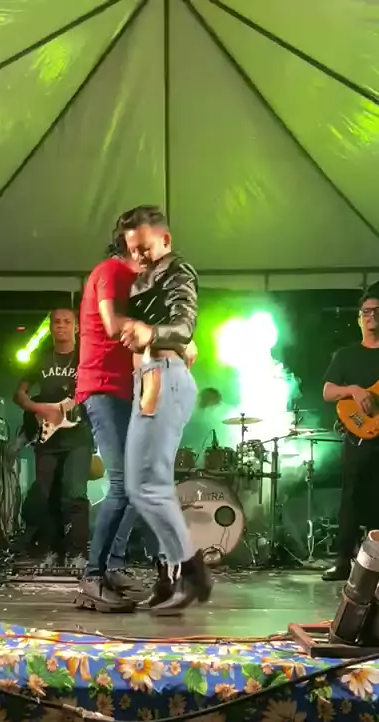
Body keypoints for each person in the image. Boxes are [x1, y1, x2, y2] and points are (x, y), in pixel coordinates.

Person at [76, 227, 198, 612]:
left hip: (125, 388)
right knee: (122, 485)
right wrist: (168, 338)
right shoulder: (113, 272)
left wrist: (172, 339)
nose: (150, 262)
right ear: (130, 252)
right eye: (142, 253)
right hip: (104, 388)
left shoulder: (139, 283)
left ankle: (113, 566)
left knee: (137, 484)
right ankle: (93, 577)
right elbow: (115, 327)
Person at [119, 205, 212, 613]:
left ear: (165, 239)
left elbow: (184, 326)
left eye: (144, 247)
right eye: (132, 249)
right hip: (149, 379)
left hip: (163, 375)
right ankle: (173, 573)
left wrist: (150, 332)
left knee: (148, 486)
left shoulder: (178, 270)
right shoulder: (142, 278)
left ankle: (192, 574)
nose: (138, 255)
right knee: (142, 486)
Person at [322, 293, 379, 581]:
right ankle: (342, 561)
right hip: (358, 438)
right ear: (358, 319)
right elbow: (328, 391)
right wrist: (354, 390)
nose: (371, 315)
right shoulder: (346, 355)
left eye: (376, 310)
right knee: (351, 498)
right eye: (365, 311)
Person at [14, 308, 92, 569]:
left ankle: (78, 553)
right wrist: (40, 409)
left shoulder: (84, 358)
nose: (61, 326)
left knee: (75, 493)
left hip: (77, 437)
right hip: (48, 438)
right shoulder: (41, 358)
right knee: (45, 495)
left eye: (67, 322)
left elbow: (96, 387)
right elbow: (20, 394)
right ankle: (51, 550)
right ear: (50, 327)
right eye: (56, 322)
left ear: (76, 327)